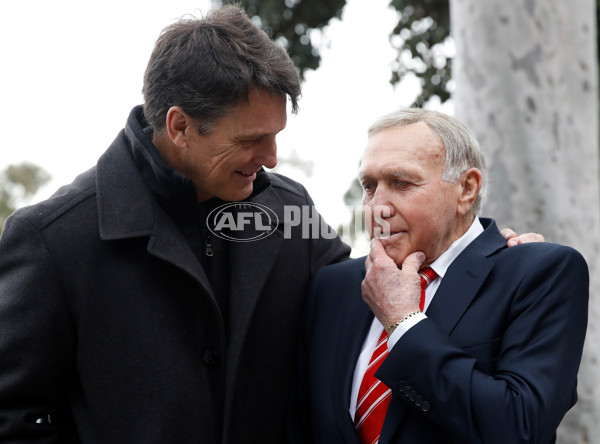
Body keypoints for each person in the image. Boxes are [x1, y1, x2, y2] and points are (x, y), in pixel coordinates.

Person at [0, 5, 541, 444]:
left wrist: (490, 259)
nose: (274, 157)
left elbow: (374, 293)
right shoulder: (51, 240)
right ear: (180, 126)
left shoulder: (289, 210)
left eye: (277, 134)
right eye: (251, 140)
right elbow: (14, 418)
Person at [288, 108, 588, 444]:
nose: (377, 207)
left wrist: (402, 322)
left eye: (401, 182)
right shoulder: (334, 287)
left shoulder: (540, 273)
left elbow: (519, 427)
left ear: (466, 189)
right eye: (369, 186)